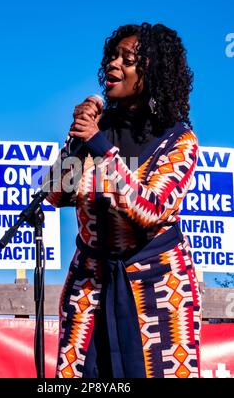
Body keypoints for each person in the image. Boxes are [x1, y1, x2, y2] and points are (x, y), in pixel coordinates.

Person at [46, 22, 201, 378]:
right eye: (112, 57)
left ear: (152, 72)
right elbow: (54, 192)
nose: (114, 65)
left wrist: (100, 147)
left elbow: (151, 208)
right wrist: (76, 141)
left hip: (158, 290)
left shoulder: (178, 140)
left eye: (127, 59)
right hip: (90, 286)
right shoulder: (97, 130)